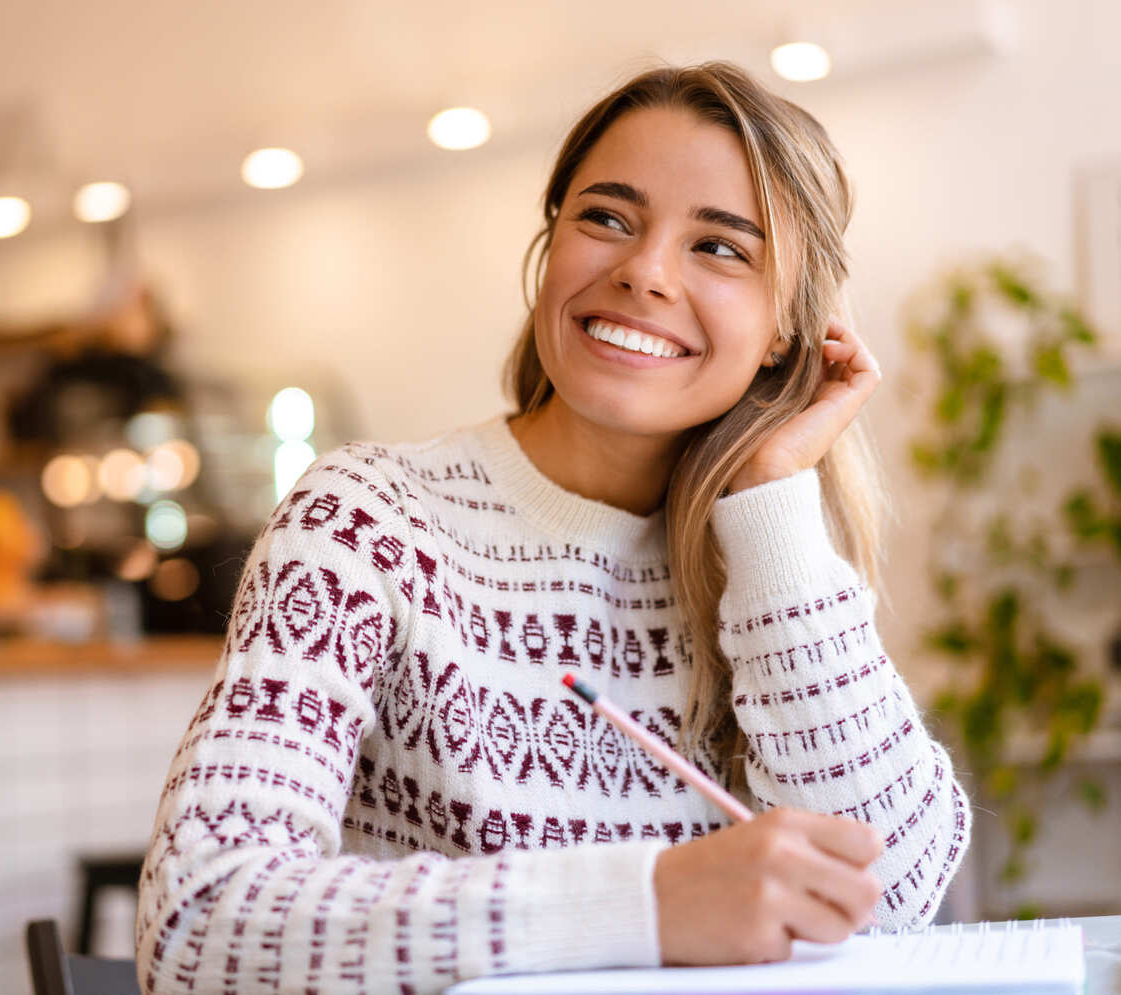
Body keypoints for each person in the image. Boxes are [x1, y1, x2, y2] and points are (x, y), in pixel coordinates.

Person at [134, 60, 970, 993]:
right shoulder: (364, 523)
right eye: (606, 217)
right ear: (551, 247)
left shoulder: (769, 561)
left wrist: (773, 497)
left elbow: (892, 896)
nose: (642, 273)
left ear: (785, 330)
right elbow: (198, 922)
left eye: (721, 248)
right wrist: (642, 904)